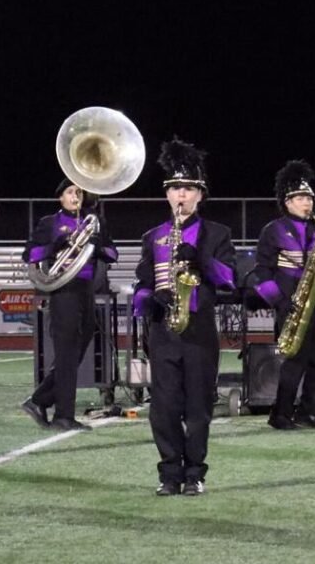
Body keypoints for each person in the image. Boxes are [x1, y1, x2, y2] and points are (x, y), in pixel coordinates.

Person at [132, 138, 237, 496]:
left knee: (198, 408)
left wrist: (202, 260)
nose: (182, 194)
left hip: (199, 331)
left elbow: (229, 279)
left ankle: (195, 473)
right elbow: (142, 282)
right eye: (176, 188)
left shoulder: (218, 234)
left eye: (189, 188)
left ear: (200, 195)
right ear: (167, 194)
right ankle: (169, 474)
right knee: (162, 408)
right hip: (164, 331)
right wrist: (150, 297)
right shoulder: (153, 236)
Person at [21, 180, 118, 431]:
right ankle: (64, 416)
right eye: (69, 192)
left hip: (86, 290)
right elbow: (29, 255)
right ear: (60, 198)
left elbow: (113, 254)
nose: (75, 196)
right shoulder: (49, 223)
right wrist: (54, 246)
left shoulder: (93, 221)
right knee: (66, 353)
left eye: (79, 191)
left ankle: (40, 399)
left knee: (76, 351)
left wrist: (98, 247)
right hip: (63, 290)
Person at [252, 160, 315, 430]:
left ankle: (311, 411)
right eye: (300, 198)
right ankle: (281, 414)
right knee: (293, 360)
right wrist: (279, 301)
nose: (306, 203)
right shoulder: (273, 230)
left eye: (309, 198)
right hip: (289, 299)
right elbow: (261, 273)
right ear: (287, 202)